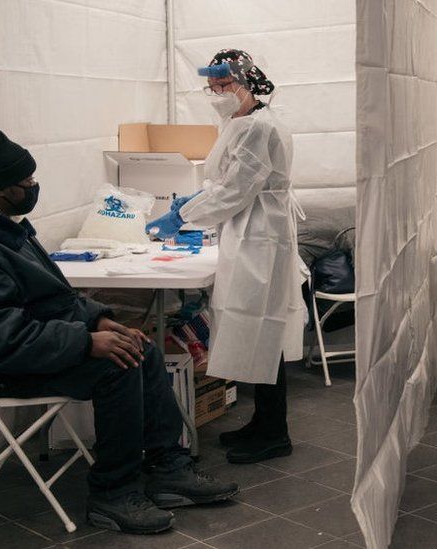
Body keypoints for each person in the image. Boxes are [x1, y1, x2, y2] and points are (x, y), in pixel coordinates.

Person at [0, 123, 239, 535]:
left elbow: (57, 299)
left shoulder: (3, 230)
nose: (33, 186)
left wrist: (99, 320)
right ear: (0, 189)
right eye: (26, 181)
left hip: (33, 344)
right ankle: (112, 494)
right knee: (117, 365)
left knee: (139, 345)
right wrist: (86, 343)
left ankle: (168, 467)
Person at [146, 50, 306, 464]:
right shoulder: (239, 122)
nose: (217, 94)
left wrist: (182, 214)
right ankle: (263, 422)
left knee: (263, 334)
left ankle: (275, 433)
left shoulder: (258, 127)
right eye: (213, 87)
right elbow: (225, 181)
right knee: (252, 331)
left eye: (225, 86)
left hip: (261, 238)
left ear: (248, 83)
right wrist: (194, 201)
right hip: (249, 232)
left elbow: (235, 190)